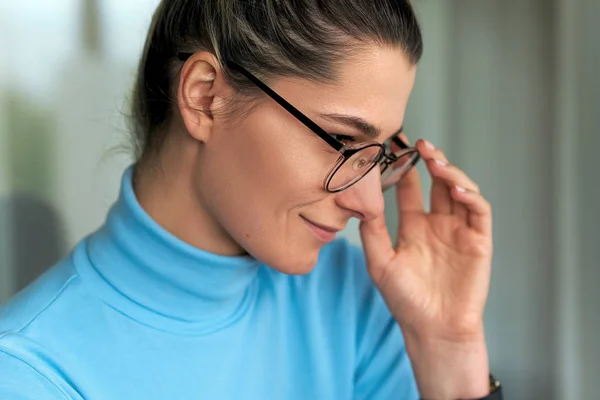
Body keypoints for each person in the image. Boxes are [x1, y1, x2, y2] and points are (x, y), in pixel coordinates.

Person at [0, 0, 503, 399]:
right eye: (341, 141)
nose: (370, 205)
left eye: (380, 154)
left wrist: (448, 351)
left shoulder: (351, 299)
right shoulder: (31, 373)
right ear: (205, 97)